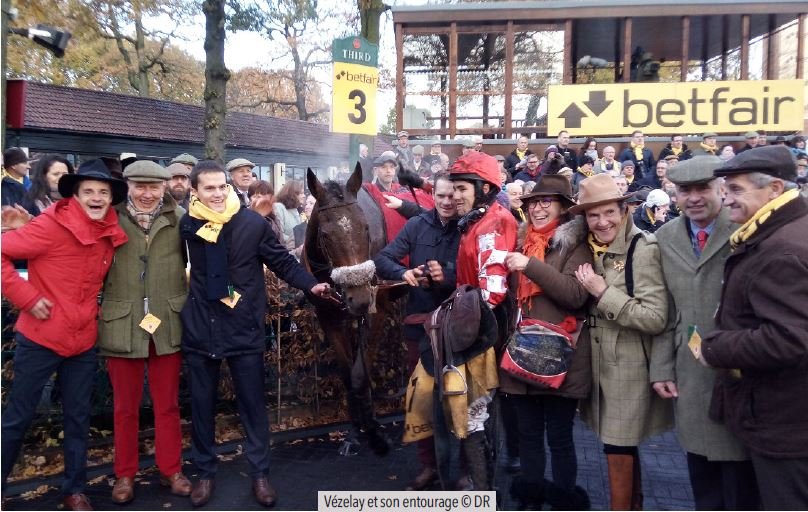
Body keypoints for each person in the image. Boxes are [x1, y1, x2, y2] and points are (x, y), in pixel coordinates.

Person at [180, 161, 330, 507]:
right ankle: (205, 473)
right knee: (201, 407)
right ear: (195, 191)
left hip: (243, 326)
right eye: (209, 188)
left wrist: (311, 284)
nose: (217, 194)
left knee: (252, 406)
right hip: (201, 328)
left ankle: (260, 474)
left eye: (222, 186)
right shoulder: (187, 224)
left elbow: (283, 262)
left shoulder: (251, 224)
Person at [1, 160, 128, 511]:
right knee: (18, 417)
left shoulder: (109, 233)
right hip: (40, 338)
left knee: (77, 418)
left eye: (103, 192)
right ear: (75, 195)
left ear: (110, 199)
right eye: (89, 191)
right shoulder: (49, 226)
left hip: (83, 341)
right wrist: (26, 298)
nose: (96, 198)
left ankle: (74, 489)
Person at [700, 146, 808, 510]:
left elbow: (790, 339)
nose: (726, 199)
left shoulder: (783, 249)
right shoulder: (782, 232)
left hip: (786, 421)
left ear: (774, 188)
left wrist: (715, 348)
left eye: (736, 189)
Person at [649, 156, 759, 510]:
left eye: (703, 188)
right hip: (690, 371)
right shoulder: (665, 237)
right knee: (702, 474)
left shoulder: (747, 228)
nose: (694, 197)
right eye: (685, 190)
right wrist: (661, 368)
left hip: (741, 369)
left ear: (721, 189)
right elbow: (666, 309)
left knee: (741, 479)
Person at [570, 173, 672, 510]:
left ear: (624, 210)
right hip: (599, 364)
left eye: (609, 212)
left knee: (617, 445)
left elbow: (655, 317)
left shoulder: (643, 248)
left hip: (628, 366)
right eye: (593, 215)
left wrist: (603, 293)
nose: (602, 222)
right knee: (620, 445)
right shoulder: (586, 248)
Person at [97, 161, 191, 504]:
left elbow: (203, 263)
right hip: (122, 322)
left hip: (167, 321)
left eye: (154, 187)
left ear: (164, 187)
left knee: (168, 405)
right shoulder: (110, 217)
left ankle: (171, 469)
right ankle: (125, 474)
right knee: (125, 407)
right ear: (128, 186)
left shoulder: (180, 218)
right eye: (140, 187)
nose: (147, 194)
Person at [502, 175, 593, 510]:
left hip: (560, 358)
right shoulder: (522, 242)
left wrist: (531, 266)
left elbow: (575, 294)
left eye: (546, 202)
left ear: (563, 208)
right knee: (528, 435)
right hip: (522, 353)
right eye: (533, 203)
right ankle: (531, 497)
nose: (537, 208)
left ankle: (564, 500)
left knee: (559, 437)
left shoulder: (575, 245)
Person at [374, 171, 460, 492]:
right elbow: (383, 258)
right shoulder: (416, 225)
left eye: (452, 196)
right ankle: (429, 466)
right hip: (420, 324)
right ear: (432, 196)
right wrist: (403, 272)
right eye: (441, 196)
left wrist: (446, 276)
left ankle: (463, 468)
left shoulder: (468, 227)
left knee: (460, 398)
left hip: (459, 326)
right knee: (422, 397)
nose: (446, 202)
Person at [447, 151, 518, 491]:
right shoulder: (478, 219)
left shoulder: (493, 223)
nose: (455, 196)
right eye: (454, 189)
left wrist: (461, 327)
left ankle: (483, 490)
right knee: (474, 411)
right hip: (476, 325)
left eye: (462, 189)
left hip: (484, 332)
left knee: (475, 411)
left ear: (485, 189)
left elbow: (492, 292)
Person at [273, 179, 305, 253]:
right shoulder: (278, 207)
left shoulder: (296, 209)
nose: (304, 196)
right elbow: (278, 235)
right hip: (284, 253)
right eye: (301, 193)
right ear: (292, 194)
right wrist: (297, 241)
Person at [2, 147, 34, 213]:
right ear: (13, 165)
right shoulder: (4, 186)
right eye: (24, 163)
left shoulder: (29, 185)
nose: (29, 167)